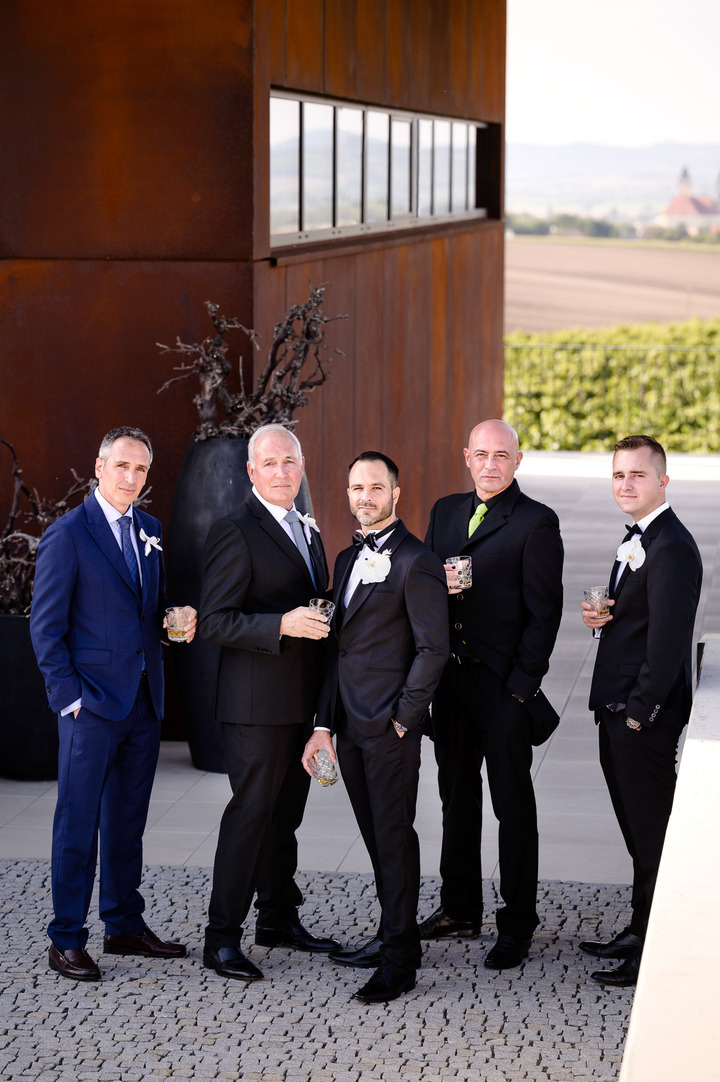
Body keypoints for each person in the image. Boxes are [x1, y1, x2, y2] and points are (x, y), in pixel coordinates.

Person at [30, 426, 197, 982]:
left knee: (127, 822)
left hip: (144, 701)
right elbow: (46, 628)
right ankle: (66, 938)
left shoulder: (148, 529)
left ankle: (124, 924)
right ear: (99, 466)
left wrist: (175, 619)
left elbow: (147, 606)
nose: (132, 478)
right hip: (91, 707)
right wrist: (68, 699)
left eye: (142, 470)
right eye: (122, 466)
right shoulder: (67, 534)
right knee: (78, 823)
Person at [302, 452, 449, 1002]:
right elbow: (338, 651)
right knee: (374, 838)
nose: (364, 496)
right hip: (348, 725)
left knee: (393, 837)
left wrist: (404, 720)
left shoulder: (418, 560)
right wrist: (323, 725)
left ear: (397, 492)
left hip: (390, 728)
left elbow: (434, 649)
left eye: (375, 487)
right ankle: (396, 933)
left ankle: (399, 960)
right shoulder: (344, 558)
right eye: (356, 487)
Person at [418, 419, 564, 970]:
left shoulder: (536, 522)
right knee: (455, 800)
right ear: (466, 456)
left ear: (517, 461)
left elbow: (543, 613)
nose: (490, 464)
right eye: (480, 454)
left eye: (501, 455)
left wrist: (521, 690)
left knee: (512, 806)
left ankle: (517, 923)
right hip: (450, 685)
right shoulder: (444, 511)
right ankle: (459, 909)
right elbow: (422, 586)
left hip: (504, 688)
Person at [199, 423, 339, 982]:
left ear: (301, 466)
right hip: (253, 705)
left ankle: (278, 918)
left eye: (291, 462)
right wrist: (281, 623)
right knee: (250, 816)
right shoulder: (234, 530)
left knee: (287, 816)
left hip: (299, 703)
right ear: (252, 472)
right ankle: (221, 938)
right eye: (271, 463)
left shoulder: (307, 527)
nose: (283, 472)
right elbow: (214, 620)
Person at [579, 434, 702, 987]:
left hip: (639, 716)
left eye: (637, 475)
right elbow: (640, 620)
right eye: (618, 475)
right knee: (636, 828)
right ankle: (639, 926)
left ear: (663, 481)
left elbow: (670, 642)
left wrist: (639, 713)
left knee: (653, 833)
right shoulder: (641, 538)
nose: (626, 484)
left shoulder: (672, 546)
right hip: (617, 706)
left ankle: (655, 948)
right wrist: (605, 616)